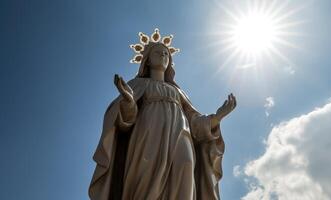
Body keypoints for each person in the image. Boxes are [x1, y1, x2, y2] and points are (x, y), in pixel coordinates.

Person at [89, 29, 237, 200]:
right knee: (147, 173)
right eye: (158, 53)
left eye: (166, 53)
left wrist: (217, 117)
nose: (163, 56)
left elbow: (194, 121)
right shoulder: (138, 84)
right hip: (148, 134)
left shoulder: (178, 91)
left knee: (186, 164)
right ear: (147, 60)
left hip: (181, 134)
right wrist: (128, 101)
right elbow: (125, 120)